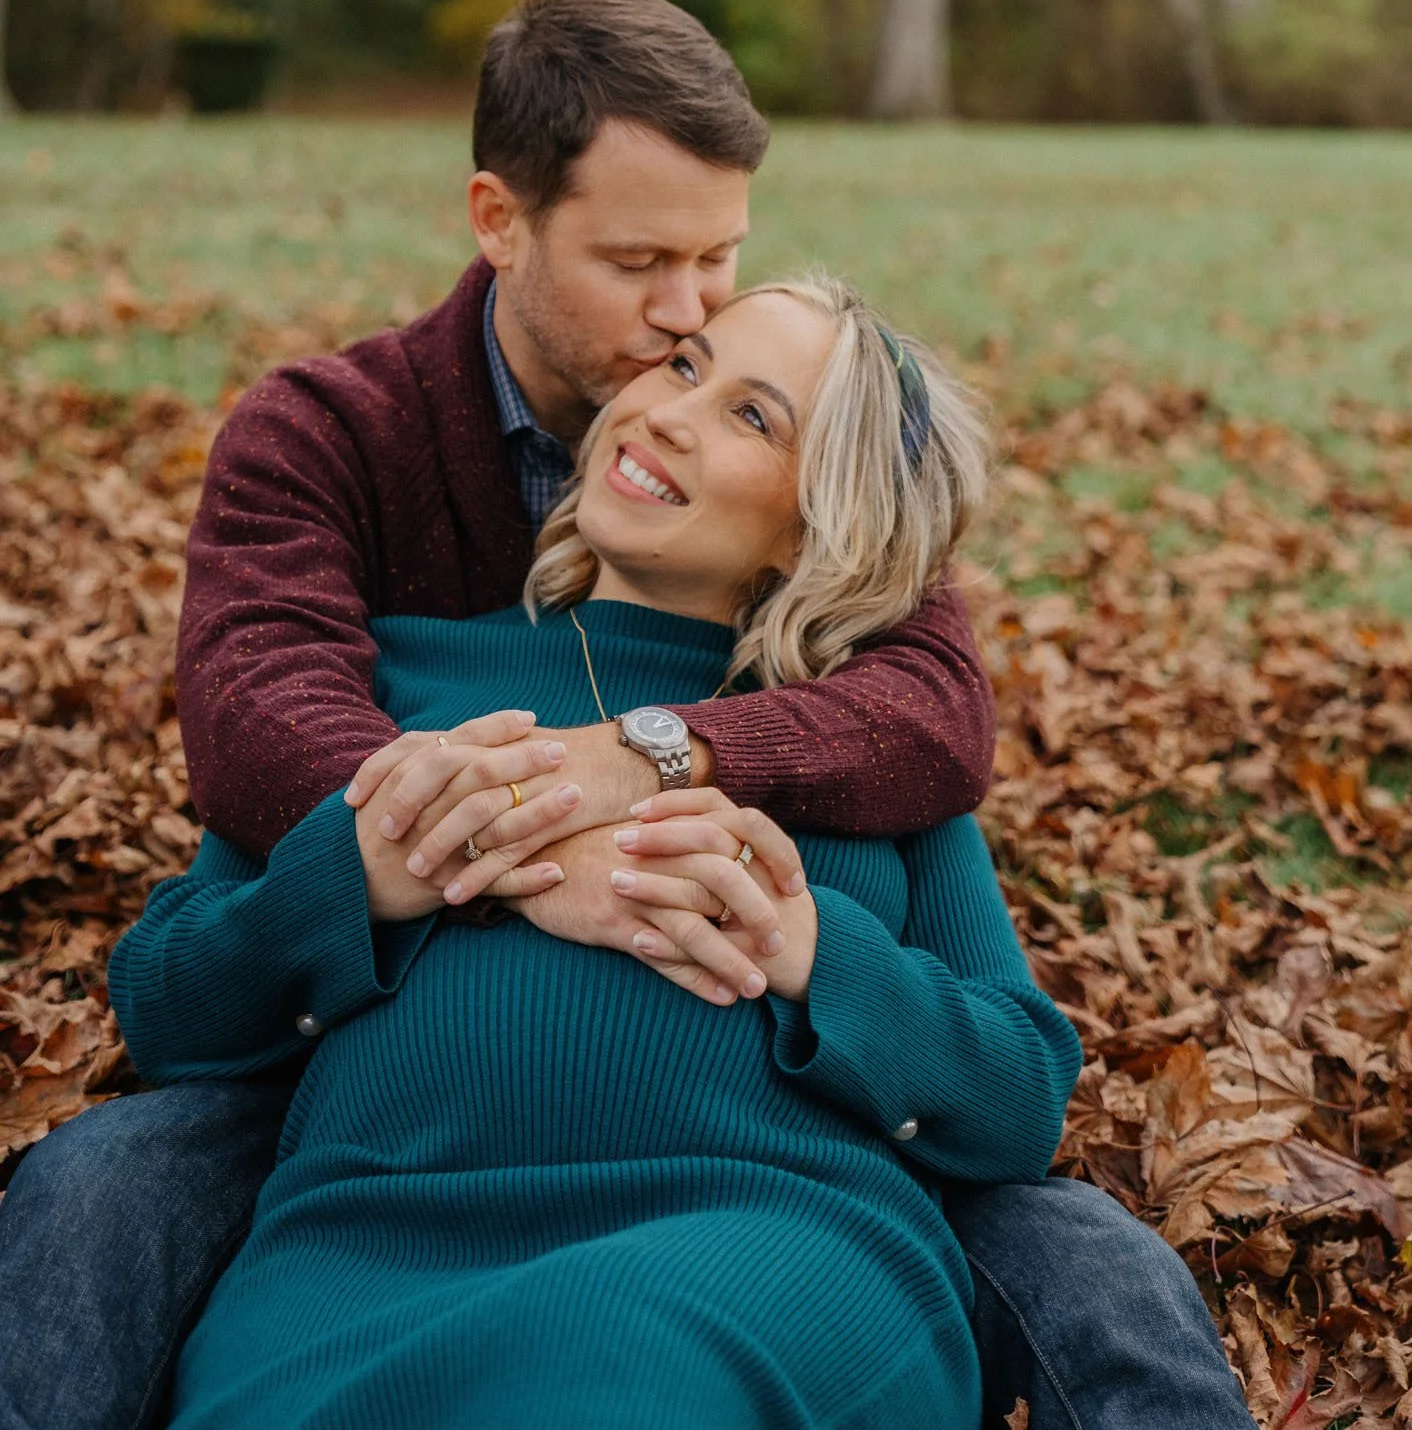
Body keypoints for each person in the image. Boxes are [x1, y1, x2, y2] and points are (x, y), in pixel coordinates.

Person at [0, 0, 1251, 1430]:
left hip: (745, 1240)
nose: (678, 341)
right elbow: (252, 748)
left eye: (722, 314)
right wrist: (443, 847)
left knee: (1044, 1287)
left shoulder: (842, 710)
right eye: (666, 325)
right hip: (370, 1219)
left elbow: (965, 855)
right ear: (500, 220)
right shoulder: (375, 579)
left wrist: (795, 937)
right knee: (98, 1205)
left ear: (817, 532)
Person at [108, 277, 1084, 1428]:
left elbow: (1019, 1095)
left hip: (753, 1248)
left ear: (816, 525)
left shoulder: (855, 747)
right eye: (683, 366)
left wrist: (815, 954)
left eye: (750, 415)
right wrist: (364, 878)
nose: (670, 410)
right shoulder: (398, 681)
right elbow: (166, 1003)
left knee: (615, 1376)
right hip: (360, 1252)